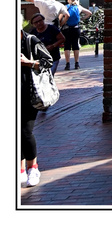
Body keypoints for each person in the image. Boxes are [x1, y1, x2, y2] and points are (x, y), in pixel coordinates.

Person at [20, 25, 53, 187]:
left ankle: (33, 168)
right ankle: (19, 169)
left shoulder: (30, 40)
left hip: (28, 93)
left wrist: (29, 63)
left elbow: (48, 62)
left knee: (25, 131)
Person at [61, 0, 91, 71]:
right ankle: (76, 63)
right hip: (76, 28)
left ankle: (67, 64)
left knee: (67, 46)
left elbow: (60, 17)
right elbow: (89, 13)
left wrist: (61, 23)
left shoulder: (65, 7)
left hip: (67, 29)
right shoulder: (78, 7)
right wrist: (81, 19)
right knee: (75, 45)